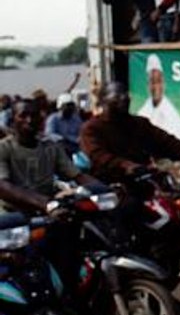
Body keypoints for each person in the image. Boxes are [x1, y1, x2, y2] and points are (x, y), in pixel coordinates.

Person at [0, 100, 104, 287]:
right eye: (23, 116)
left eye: (34, 115)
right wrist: (46, 203)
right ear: (12, 120)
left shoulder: (50, 147)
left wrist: (104, 190)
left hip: (52, 215)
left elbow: (77, 175)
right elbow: (4, 187)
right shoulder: (4, 149)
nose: (29, 120)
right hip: (15, 221)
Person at [80, 81, 180, 184]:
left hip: (144, 179)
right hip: (111, 186)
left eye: (126, 98)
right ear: (105, 103)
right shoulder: (92, 128)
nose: (123, 102)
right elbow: (99, 156)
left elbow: (166, 141)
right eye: (117, 99)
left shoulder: (139, 123)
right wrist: (127, 166)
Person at [135, 53, 180, 146]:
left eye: (158, 81)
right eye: (152, 82)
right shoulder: (143, 112)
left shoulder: (171, 114)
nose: (156, 87)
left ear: (164, 84)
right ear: (148, 85)